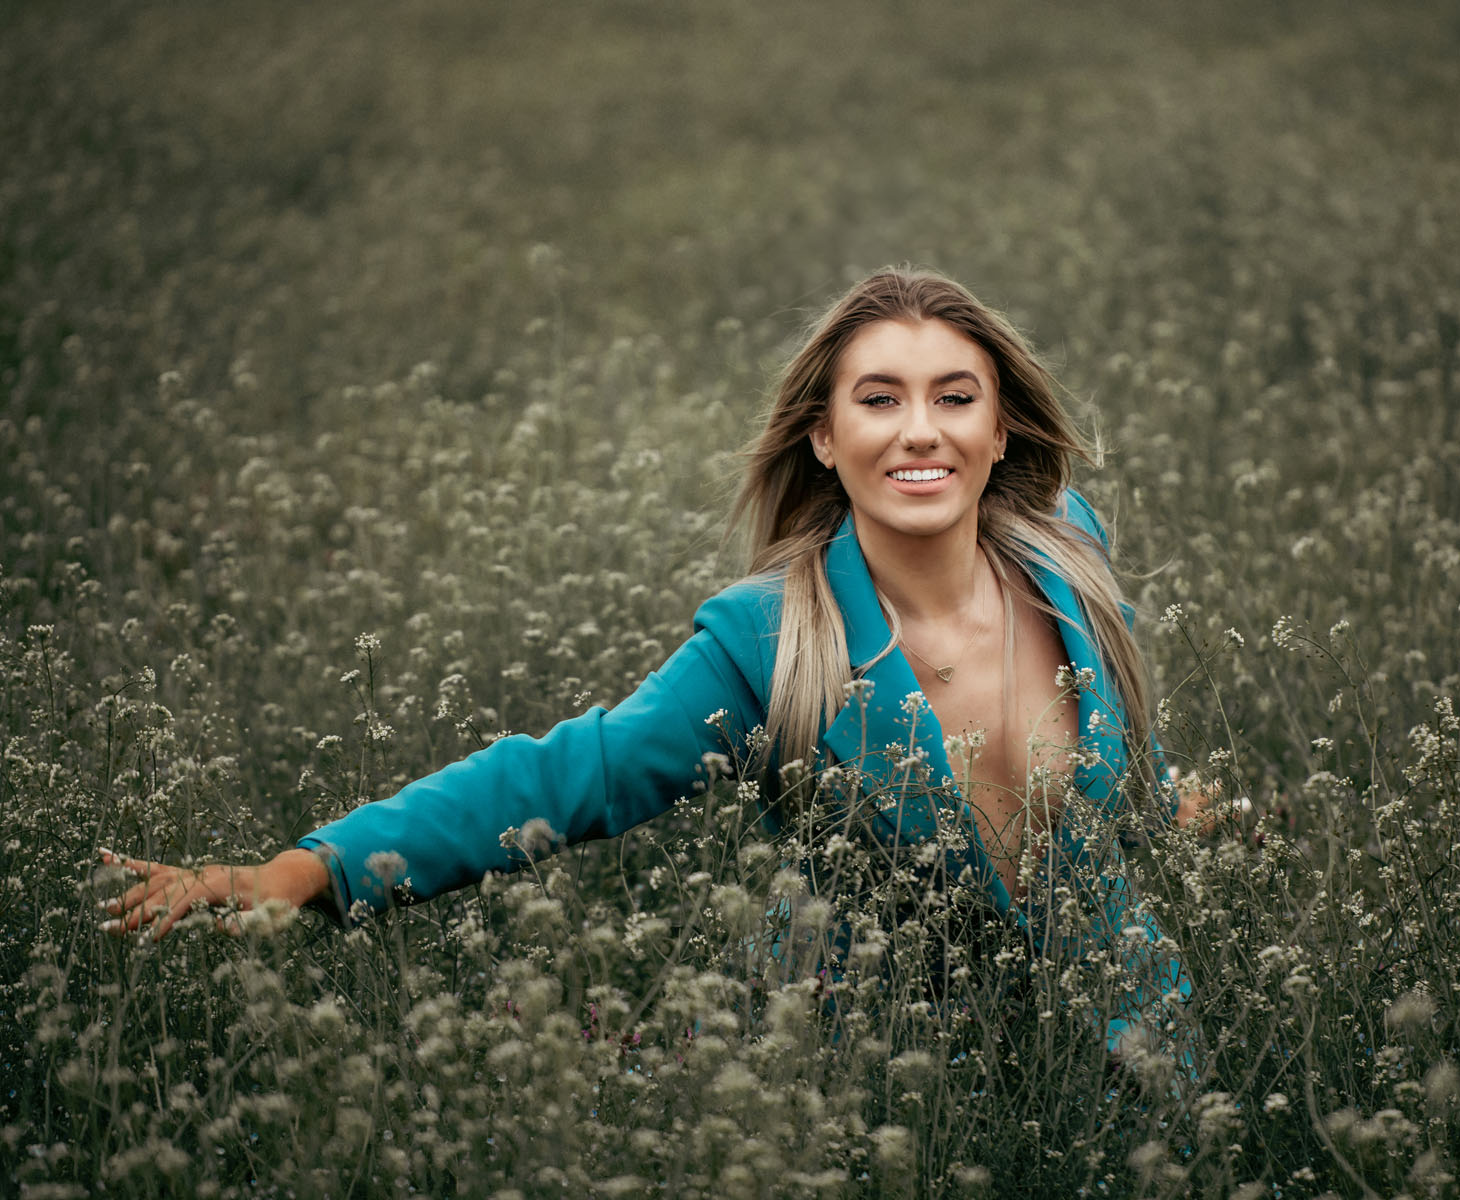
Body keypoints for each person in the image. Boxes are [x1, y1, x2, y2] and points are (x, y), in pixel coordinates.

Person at [101, 267, 1216, 1048]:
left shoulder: (1071, 556)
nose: (920, 429)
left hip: (1133, 1037)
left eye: (954, 398)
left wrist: (1166, 811)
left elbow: (1116, 744)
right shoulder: (772, 642)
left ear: (1000, 430)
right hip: (904, 1077)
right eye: (880, 400)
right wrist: (310, 872)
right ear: (825, 438)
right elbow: (565, 776)